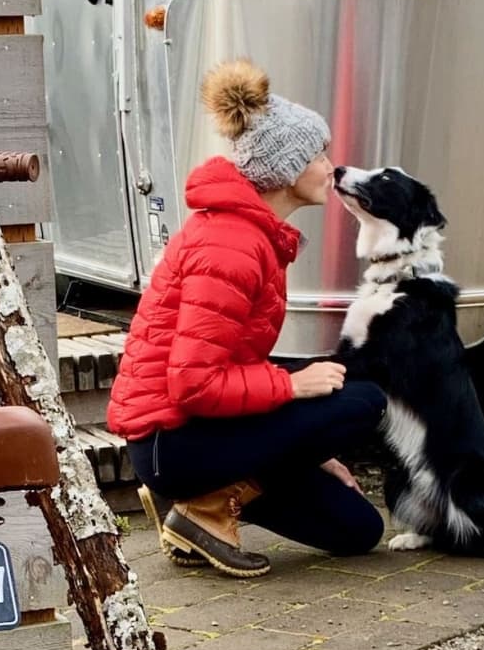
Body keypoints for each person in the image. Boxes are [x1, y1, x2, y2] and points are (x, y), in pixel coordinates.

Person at [106, 59, 387, 579]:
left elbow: (230, 360)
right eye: (318, 154)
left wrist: (307, 446)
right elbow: (192, 383)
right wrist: (292, 389)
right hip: (175, 442)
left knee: (358, 530)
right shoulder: (231, 245)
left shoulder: (253, 236)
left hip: (205, 433)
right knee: (363, 398)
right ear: (285, 169)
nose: (331, 166)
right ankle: (203, 507)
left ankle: (206, 511)